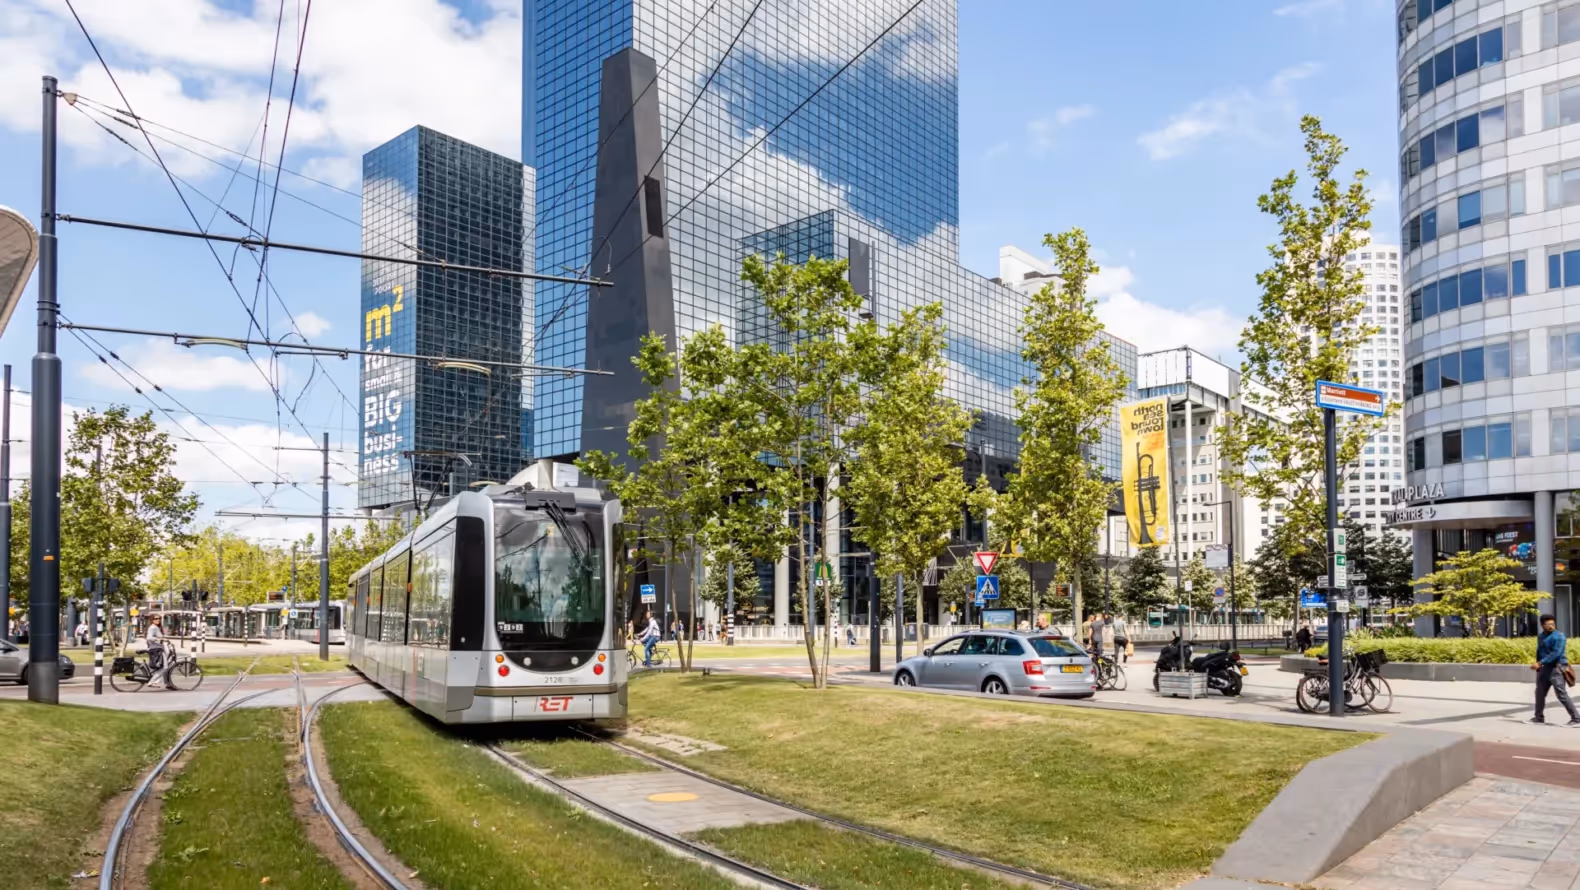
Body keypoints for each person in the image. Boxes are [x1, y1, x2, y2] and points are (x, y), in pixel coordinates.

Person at [1532, 613, 1580, 725]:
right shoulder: (1541, 636)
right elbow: (1540, 651)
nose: (1551, 626)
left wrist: (1540, 662)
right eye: (1548, 624)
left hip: (1557, 669)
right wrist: (1539, 666)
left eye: (1553, 624)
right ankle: (1538, 718)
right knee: (1539, 692)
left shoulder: (1559, 636)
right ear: (1542, 625)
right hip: (1544, 669)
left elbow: (1556, 654)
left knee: (1561, 694)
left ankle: (1576, 719)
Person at [145, 615, 174, 690]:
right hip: (157, 650)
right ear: (152, 620)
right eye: (156, 619)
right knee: (165, 667)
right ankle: (152, 681)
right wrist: (161, 640)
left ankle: (167, 683)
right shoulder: (153, 628)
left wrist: (163, 639)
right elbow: (149, 638)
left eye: (159, 618)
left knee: (164, 666)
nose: (158, 620)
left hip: (158, 649)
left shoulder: (156, 627)